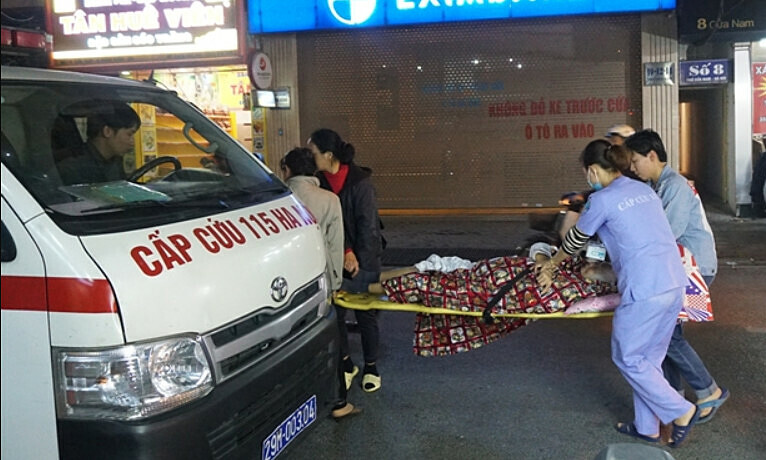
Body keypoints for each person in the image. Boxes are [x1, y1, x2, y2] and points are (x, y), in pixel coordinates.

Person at [537, 140, 700, 447]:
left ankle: (681, 411)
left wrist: (553, 263)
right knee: (648, 360)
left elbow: (575, 240)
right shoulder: (643, 190)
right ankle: (646, 427)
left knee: (627, 357)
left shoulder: (602, 200)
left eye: (587, 173)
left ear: (592, 170)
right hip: (673, 281)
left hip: (645, 287)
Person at [625, 129, 729, 424]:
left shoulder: (674, 186)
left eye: (635, 160)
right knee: (666, 336)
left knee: (666, 336)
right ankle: (673, 398)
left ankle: (708, 391)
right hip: (679, 268)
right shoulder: (658, 186)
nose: (632, 167)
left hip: (694, 269)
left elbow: (666, 233)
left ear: (652, 156)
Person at [367, 248, 617, 357]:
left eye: (598, 267)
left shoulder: (573, 291)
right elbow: (540, 247)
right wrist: (545, 262)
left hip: (484, 291)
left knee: (421, 283)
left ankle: (363, 285)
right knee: (431, 267)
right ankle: (368, 279)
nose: (591, 264)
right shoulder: (569, 265)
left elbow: (531, 301)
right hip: (482, 272)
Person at [280, 147, 360, 419]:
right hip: (318, 281)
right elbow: (335, 246)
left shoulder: (276, 200)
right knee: (329, 341)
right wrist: (335, 283)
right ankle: (339, 403)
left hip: (283, 285)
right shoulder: (329, 199)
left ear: (287, 170)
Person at [308, 128, 385, 393]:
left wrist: (359, 262)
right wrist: (343, 252)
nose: (311, 157)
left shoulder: (359, 182)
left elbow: (369, 228)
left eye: (313, 152)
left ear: (329, 155)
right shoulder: (318, 182)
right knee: (337, 315)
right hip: (335, 258)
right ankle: (347, 363)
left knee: (366, 314)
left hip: (364, 259)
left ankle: (371, 366)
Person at [56, 102, 141, 185]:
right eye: (129, 134)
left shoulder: (115, 161)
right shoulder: (72, 168)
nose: (132, 142)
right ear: (107, 131)